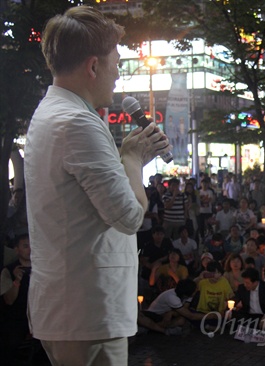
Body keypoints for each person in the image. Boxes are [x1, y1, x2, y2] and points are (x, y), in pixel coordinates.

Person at [24, 6, 172, 365]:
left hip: (71, 308)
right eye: (116, 64)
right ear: (93, 66)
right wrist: (133, 159)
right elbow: (128, 216)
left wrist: (126, 156)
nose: (118, 76)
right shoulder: (78, 123)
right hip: (87, 312)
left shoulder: (54, 112)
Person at [0, 234, 35, 362]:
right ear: (17, 250)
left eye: (32, 246)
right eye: (25, 246)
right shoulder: (8, 270)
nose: (30, 250)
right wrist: (17, 280)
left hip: (39, 315)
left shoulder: (43, 269)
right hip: (17, 318)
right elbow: (9, 300)